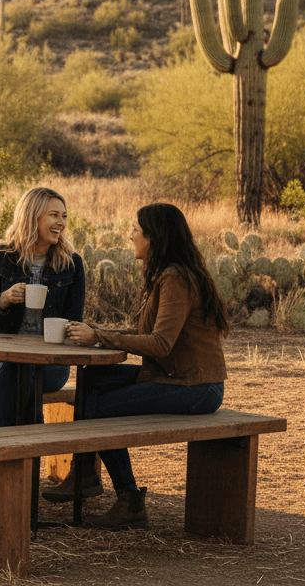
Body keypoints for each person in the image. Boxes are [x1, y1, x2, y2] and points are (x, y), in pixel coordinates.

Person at [62, 203, 229, 530]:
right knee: (94, 377)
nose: (130, 236)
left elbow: (160, 343)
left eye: (136, 230)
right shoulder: (169, 274)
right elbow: (148, 336)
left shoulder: (176, 278)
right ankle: (83, 474)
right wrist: (98, 336)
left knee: (102, 409)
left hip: (194, 387)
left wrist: (101, 336)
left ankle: (129, 501)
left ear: (154, 237)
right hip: (174, 377)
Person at [0, 187, 89, 426]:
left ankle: (0, 438)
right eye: (54, 215)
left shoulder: (72, 264)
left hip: (50, 362)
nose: (61, 223)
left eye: (64, 216)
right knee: (15, 369)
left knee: (19, 373)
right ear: (31, 216)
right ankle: (29, 442)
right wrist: (3, 300)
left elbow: (73, 319)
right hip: (2, 357)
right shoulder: (0, 257)